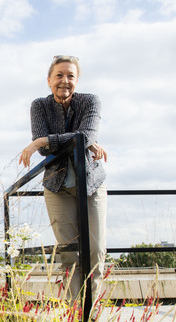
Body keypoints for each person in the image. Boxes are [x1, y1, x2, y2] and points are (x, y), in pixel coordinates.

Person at [18, 55, 107, 301]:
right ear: (49, 80)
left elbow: (85, 136)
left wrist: (43, 140)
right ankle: (75, 315)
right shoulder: (40, 106)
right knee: (69, 254)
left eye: (70, 76)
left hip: (91, 184)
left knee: (96, 251)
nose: (64, 81)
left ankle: (92, 318)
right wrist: (76, 140)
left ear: (77, 81)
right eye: (59, 75)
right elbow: (50, 152)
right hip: (57, 187)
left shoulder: (90, 102)